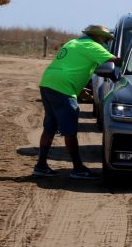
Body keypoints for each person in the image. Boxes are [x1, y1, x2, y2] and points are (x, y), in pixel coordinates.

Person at [33, 24, 120, 180]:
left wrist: (79, 90)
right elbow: (116, 62)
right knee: (70, 130)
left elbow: (69, 67)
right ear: (98, 36)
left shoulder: (73, 43)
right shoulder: (93, 46)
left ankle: (41, 165)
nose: (105, 43)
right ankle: (78, 168)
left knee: (50, 126)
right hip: (63, 89)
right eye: (105, 39)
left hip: (48, 83)